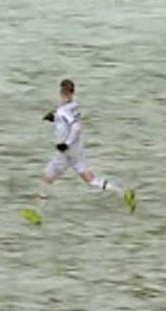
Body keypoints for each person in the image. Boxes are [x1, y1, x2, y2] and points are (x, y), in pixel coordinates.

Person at [22, 78, 136, 223]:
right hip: (77, 150)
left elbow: (76, 126)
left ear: (61, 92)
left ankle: (37, 215)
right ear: (72, 92)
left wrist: (66, 143)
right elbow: (66, 119)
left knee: (45, 180)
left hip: (65, 153)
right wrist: (54, 118)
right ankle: (123, 193)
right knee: (91, 180)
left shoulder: (63, 110)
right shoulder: (73, 106)